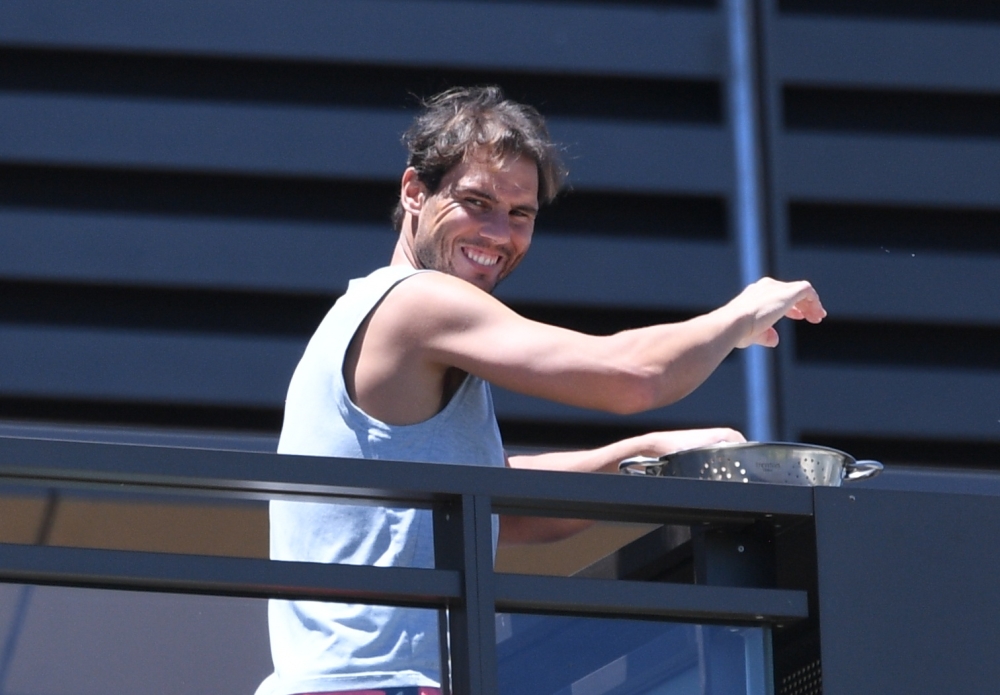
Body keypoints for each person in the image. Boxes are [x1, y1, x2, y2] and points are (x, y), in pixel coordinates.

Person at [256, 86, 826, 695]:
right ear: (414, 193)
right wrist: (738, 315)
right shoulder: (415, 302)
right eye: (475, 202)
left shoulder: (379, 319)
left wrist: (645, 459)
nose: (498, 234)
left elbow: (507, 511)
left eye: (520, 213)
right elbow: (631, 375)